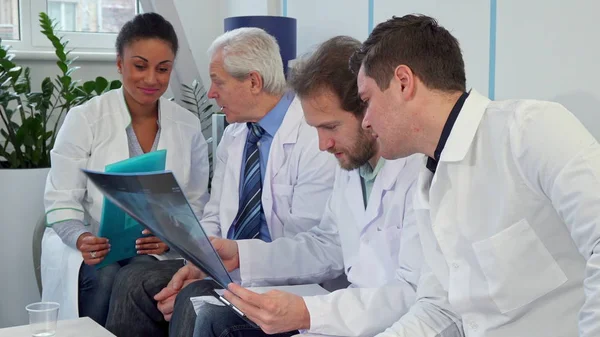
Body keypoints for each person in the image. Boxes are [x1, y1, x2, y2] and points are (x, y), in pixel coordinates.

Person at [351, 14, 600, 337]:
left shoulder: (531, 131)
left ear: (403, 82)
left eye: (367, 100)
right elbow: (441, 310)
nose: (365, 122)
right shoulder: (429, 185)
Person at [166, 35, 424, 337]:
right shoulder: (353, 166)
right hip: (345, 315)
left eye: (331, 127)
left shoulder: (416, 171)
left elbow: (415, 295)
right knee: (206, 312)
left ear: (367, 110)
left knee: (213, 318)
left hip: (382, 323)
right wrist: (242, 255)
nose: (323, 144)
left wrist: (308, 312)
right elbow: (327, 244)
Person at [103, 27, 337, 337]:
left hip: (284, 275)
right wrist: (198, 263)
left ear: (253, 81)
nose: (211, 93)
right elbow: (214, 215)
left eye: (218, 82)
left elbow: (316, 247)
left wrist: (235, 259)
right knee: (134, 281)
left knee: (192, 299)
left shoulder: (315, 137)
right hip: (228, 265)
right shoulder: (234, 134)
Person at [40, 12, 210, 326]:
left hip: (152, 249)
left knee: (142, 271)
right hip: (92, 244)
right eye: (140, 65)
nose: (151, 79)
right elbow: (61, 198)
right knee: (106, 274)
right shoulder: (85, 119)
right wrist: (81, 238)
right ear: (120, 64)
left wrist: (170, 240)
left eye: (163, 69)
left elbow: (196, 202)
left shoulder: (187, 125)